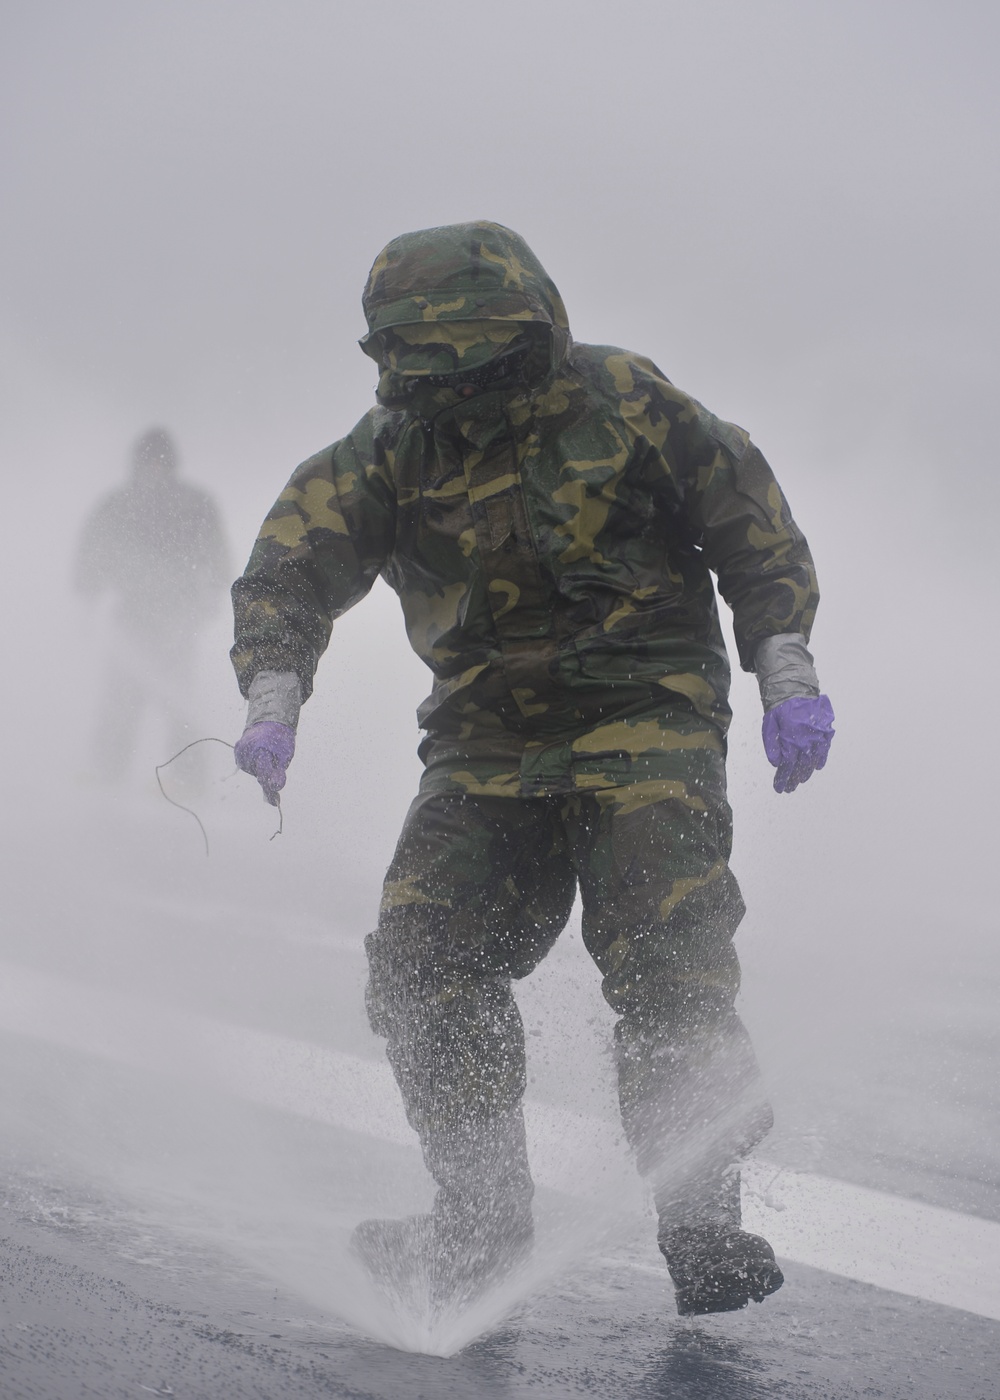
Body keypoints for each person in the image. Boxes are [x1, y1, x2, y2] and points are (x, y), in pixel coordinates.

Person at [230, 222, 835, 1317]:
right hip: (483, 742)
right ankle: (479, 1217)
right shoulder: (393, 449)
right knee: (422, 958)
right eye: (436, 371)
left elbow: (748, 520)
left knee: (667, 957)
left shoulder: (625, 399)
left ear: (533, 332)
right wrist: (275, 694)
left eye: (486, 363)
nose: (465, 391)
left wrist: (783, 666)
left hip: (645, 714)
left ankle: (699, 1212)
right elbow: (290, 564)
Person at [76, 427, 231, 781]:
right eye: (148, 462)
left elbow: (219, 559)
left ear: (172, 464)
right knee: (119, 697)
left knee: (178, 701)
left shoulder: (195, 505)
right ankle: (106, 772)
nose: (154, 469)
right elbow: (92, 554)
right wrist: (87, 599)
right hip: (131, 618)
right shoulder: (118, 505)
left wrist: (207, 603)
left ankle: (188, 779)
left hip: (178, 619)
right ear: (136, 464)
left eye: (161, 462)